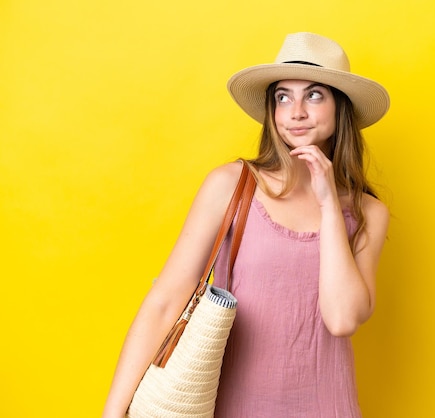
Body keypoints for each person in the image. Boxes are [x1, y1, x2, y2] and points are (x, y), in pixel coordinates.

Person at [103, 32, 390, 418]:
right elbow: (165, 301)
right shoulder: (231, 185)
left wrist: (328, 204)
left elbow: (341, 319)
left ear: (341, 108)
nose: (296, 112)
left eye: (314, 95)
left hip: (329, 407)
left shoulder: (367, 212)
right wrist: (112, 413)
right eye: (283, 97)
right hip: (230, 406)